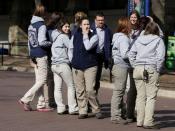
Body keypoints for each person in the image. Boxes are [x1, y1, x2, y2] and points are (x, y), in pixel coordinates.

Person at [128, 22, 165, 129]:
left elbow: (131, 54)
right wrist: (157, 69)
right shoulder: (158, 40)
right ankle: (148, 122)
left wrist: (135, 65)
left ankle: (140, 121)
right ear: (156, 30)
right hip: (150, 68)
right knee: (151, 97)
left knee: (140, 96)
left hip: (138, 69)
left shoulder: (139, 39)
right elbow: (160, 57)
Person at [19, 4, 53, 112]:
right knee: (42, 80)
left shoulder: (31, 25)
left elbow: (30, 43)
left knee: (39, 80)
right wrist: (51, 43)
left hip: (34, 54)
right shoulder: (42, 25)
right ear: (43, 14)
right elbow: (42, 42)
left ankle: (41, 104)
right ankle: (25, 99)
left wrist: (31, 55)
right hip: (41, 54)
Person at [69, 17, 103, 119]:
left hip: (90, 65)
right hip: (77, 66)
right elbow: (70, 49)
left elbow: (88, 46)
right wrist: (72, 61)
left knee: (90, 90)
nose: (87, 26)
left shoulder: (94, 36)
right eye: (84, 24)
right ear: (80, 26)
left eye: (88, 24)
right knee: (79, 90)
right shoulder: (75, 35)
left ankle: (96, 109)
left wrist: (85, 34)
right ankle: (82, 110)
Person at [50, 17, 78, 115]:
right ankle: (73, 108)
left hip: (54, 65)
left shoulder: (55, 36)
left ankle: (60, 108)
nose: (67, 28)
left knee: (57, 88)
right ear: (61, 27)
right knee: (71, 86)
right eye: (65, 27)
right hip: (62, 64)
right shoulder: (63, 37)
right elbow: (71, 48)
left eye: (68, 27)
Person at [111, 17, 131, 125]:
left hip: (117, 66)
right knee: (119, 91)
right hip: (121, 66)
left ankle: (121, 112)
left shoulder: (116, 37)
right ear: (126, 26)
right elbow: (124, 54)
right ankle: (115, 115)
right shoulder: (123, 38)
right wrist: (133, 54)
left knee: (119, 91)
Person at [91, 12, 112, 94]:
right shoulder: (90, 29)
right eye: (98, 20)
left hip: (100, 57)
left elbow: (109, 45)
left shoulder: (107, 30)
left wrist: (108, 57)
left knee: (97, 79)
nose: (100, 22)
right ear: (95, 20)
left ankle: (94, 97)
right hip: (91, 57)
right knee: (90, 79)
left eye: (102, 20)